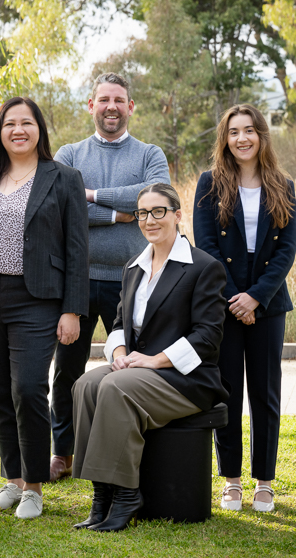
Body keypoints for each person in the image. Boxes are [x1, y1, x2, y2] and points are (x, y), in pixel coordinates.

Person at [71, 183, 228, 532]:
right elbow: (119, 325)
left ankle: (127, 495)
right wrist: (121, 354)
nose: (149, 220)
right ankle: (102, 496)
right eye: (142, 213)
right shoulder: (134, 266)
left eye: (158, 212)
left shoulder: (203, 267)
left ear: (177, 215)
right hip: (139, 371)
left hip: (186, 379)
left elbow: (208, 336)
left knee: (114, 387)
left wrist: (154, 360)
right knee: (86, 384)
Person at [0, 97, 89, 519]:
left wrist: (72, 309)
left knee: (29, 388)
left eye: (27, 123)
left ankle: (34, 487)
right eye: (9, 124)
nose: (18, 130)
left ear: (39, 130)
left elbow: (77, 247)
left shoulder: (64, 178)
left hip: (37, 299)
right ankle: (13, 480)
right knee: (0, 392)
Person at [48, 72, 171, 481]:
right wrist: (121, 214)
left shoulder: (150, 154)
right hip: (77, 280)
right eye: (103, 100)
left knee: (137, 367)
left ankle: (138, 447)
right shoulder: (69, 154)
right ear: (91, 106)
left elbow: (157, 198)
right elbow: (61, 206)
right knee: (67, 369)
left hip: (135, 280)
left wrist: (91, 195)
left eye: (119, 100)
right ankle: (62, 452)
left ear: (130, 106)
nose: (111, 107)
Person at [193, 104, 296, 513]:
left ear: (261, 136)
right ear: (225, 139)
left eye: (250, 130)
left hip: (268, 303)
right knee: (228, 391)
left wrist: (256, 297)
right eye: (234, 131)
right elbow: (207, 246)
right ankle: (232, 481)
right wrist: (237, 298)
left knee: (265, 394)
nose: (242, 138)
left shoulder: (283, 185)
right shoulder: (209, 183)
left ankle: (264, 482)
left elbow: (287, 249)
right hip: (225, 302)